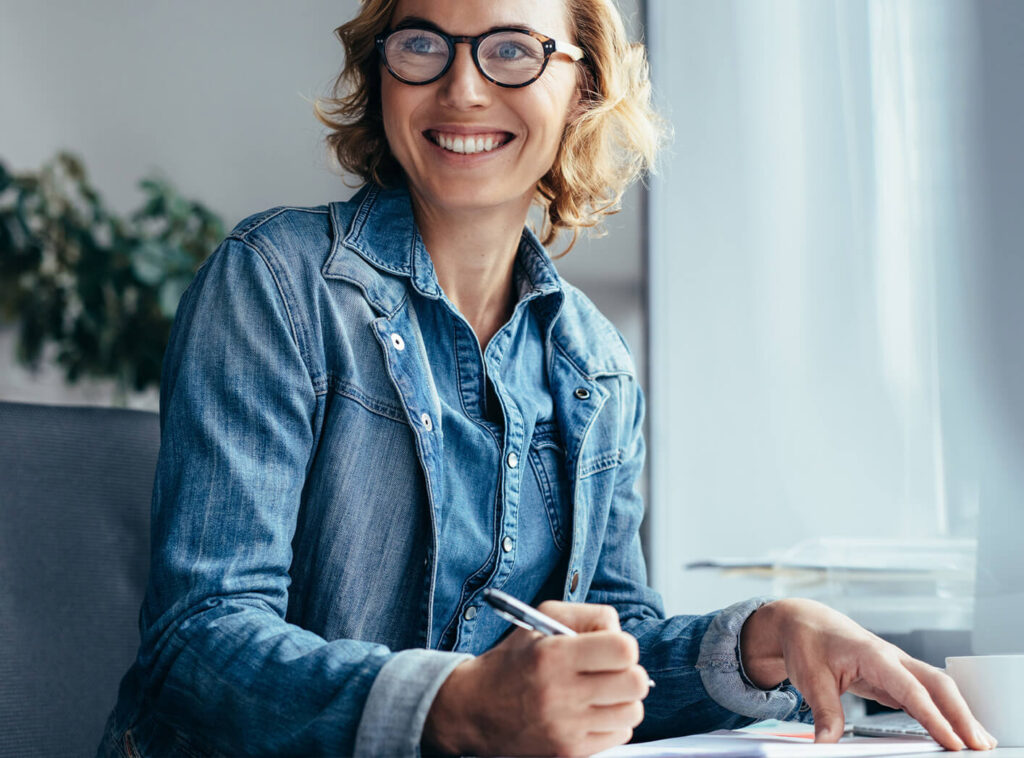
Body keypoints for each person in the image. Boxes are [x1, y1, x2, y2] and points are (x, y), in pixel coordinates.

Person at [99, 0, 996, 755]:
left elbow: (616, 660)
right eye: (422, 44)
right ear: (382, 72)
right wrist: (460, 704)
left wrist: (765, 638)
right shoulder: (276, 281)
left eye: (513, 51)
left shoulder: (597, 366)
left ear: (585, 89)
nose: (461, 86)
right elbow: (198, 645)